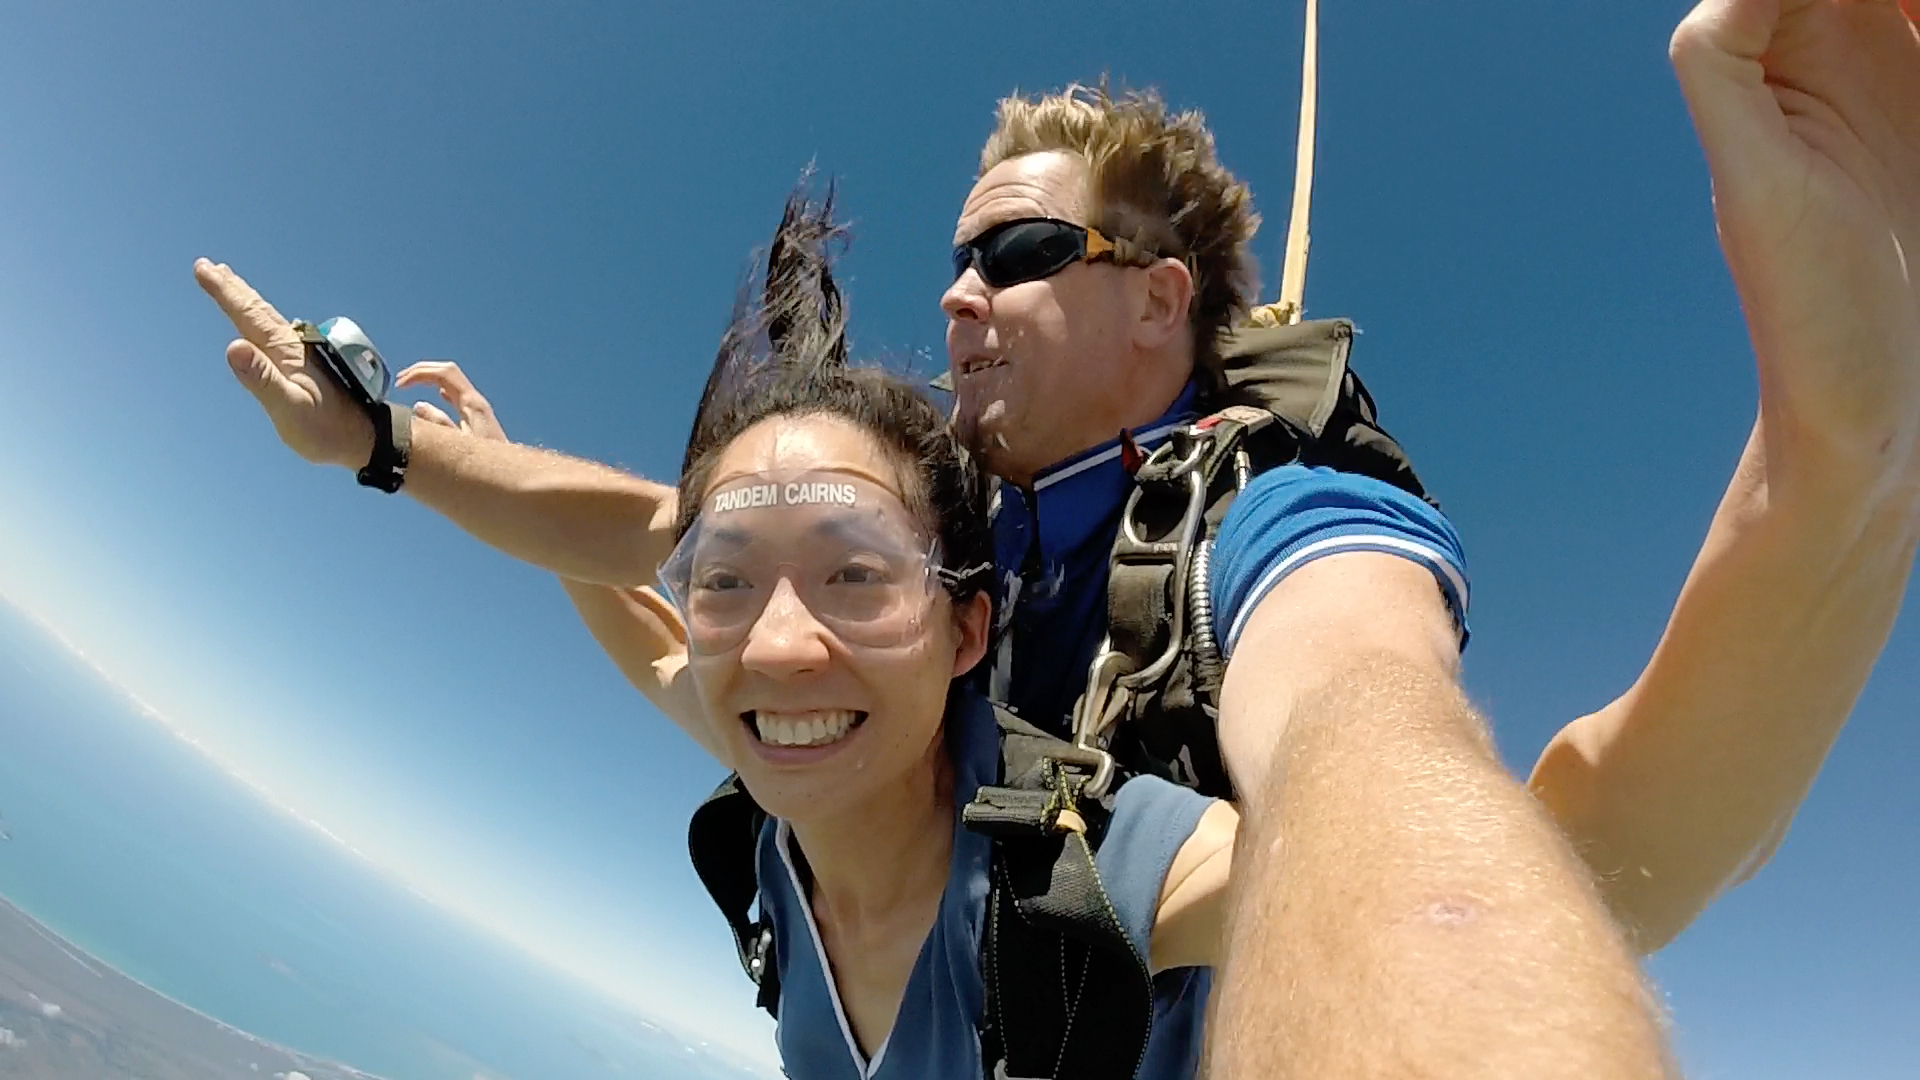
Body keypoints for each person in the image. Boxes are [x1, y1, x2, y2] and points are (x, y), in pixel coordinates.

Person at [195, 0, 1917, 1071]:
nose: (958, 296)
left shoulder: (1260, 520)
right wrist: (391, 446)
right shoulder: (915, 558)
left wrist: (1839, 464)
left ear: (1161, 304)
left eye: (1017, 257)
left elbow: (1380, 740)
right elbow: (662, 551)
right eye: (956, 260)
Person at [404, 191, 1675, 1078]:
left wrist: (1804, 487)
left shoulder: (1068, 866)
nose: (780, 650)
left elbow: (1403, 869)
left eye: (854, 579)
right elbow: (654, 639)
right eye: (726, 583)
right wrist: (495, 472)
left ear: (967, 631)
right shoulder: (790, 790)